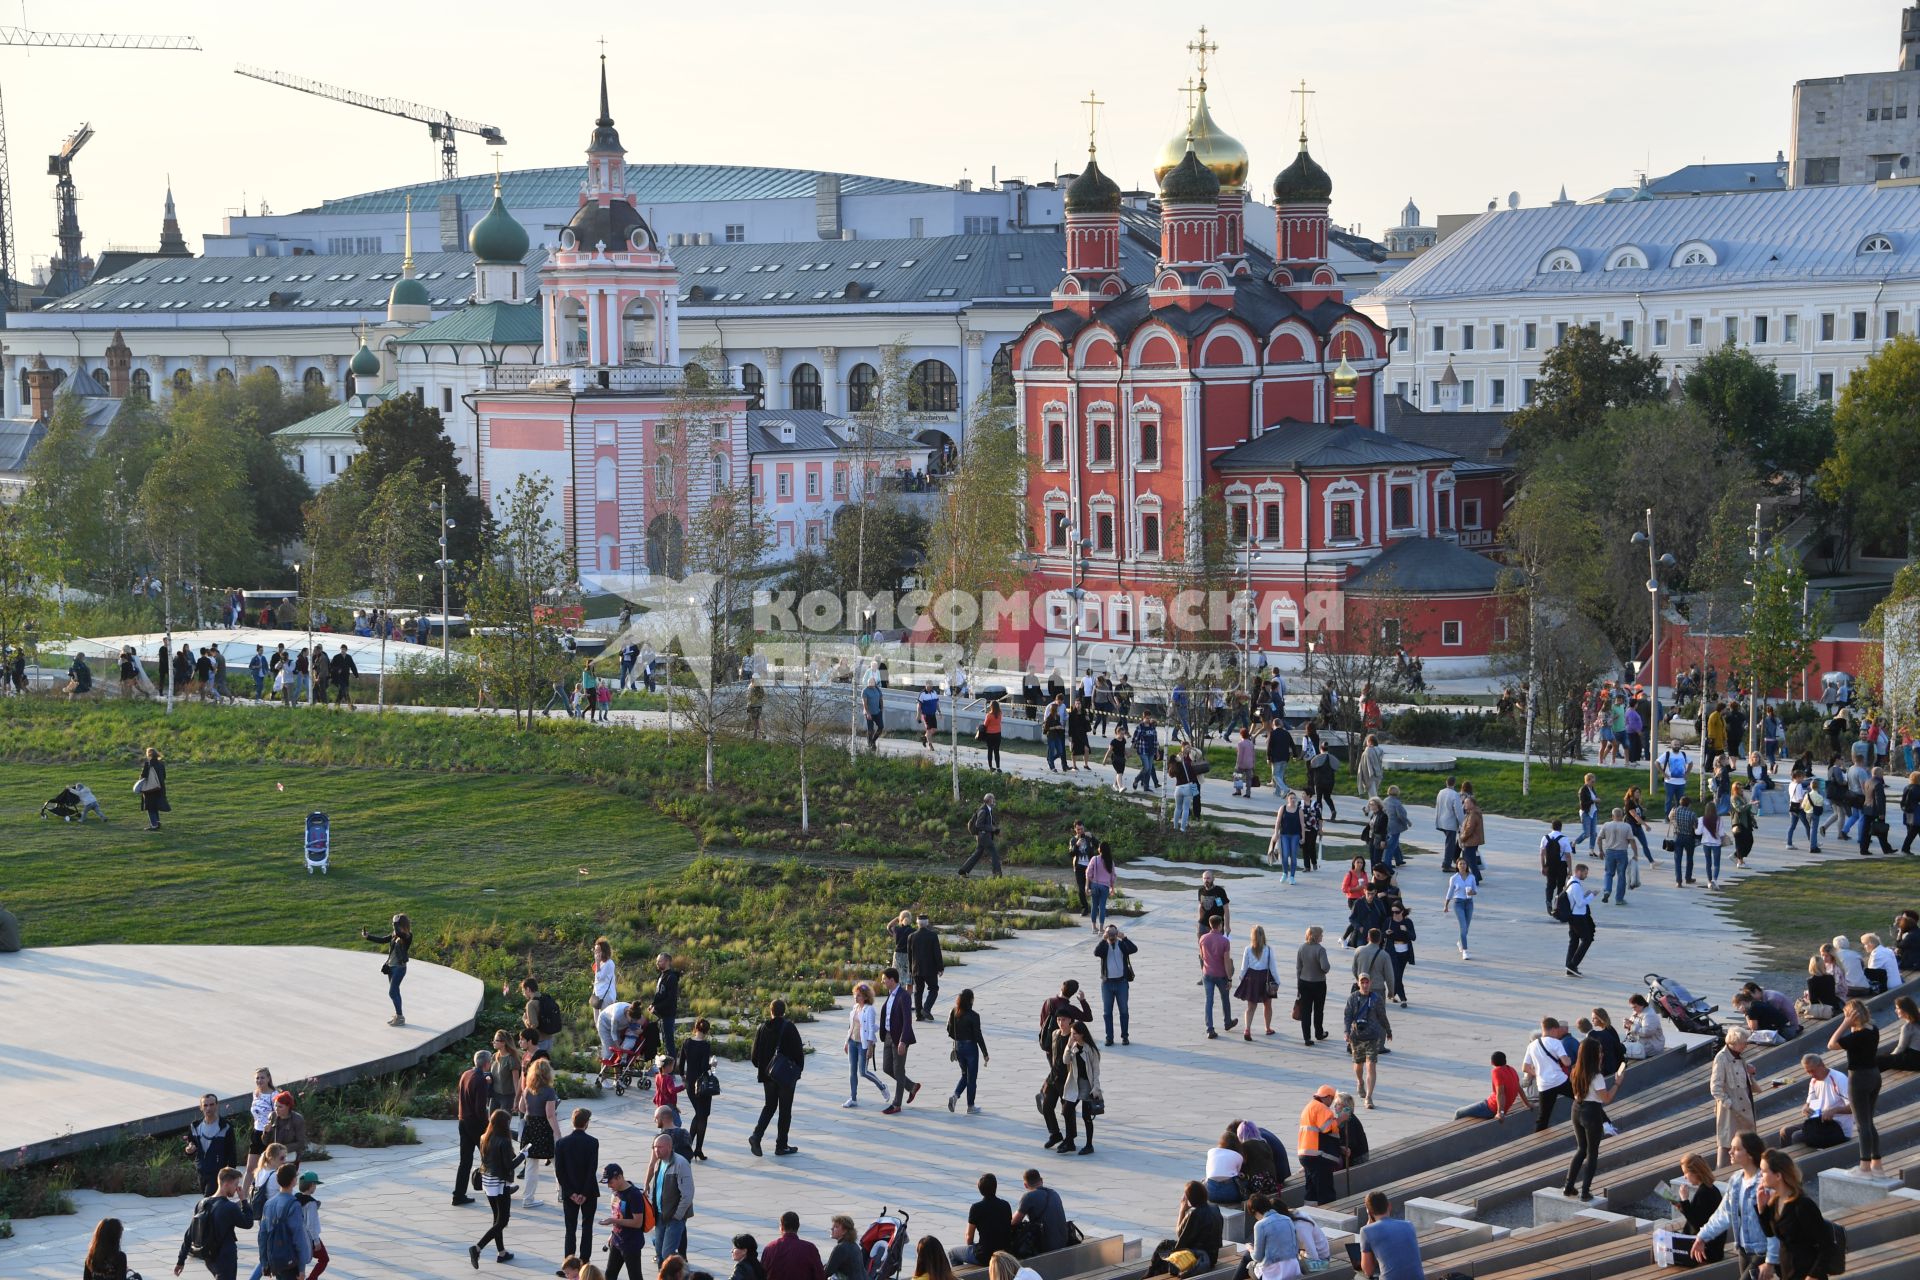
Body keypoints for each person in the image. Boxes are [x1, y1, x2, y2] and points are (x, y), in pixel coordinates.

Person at [1689, 1132, 1772, 1272]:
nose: (1730, 1151)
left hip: (1763, 1250)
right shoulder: (1736, 1180)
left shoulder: (1764, 1183)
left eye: (1737, 1149)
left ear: (1750, 1154)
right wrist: (1702, 1237)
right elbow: (1723, 1214)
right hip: (1744, 1250)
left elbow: (1775, 1221)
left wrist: (1772, 1259)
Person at [1561, 1039, 1626, 1201]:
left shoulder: (1575, 1070)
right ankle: (1585, 1191)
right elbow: (1607, 1098)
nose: (1601, 1054)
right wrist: (1617, 1083)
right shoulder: (1596, 1076)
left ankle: (1568, 1187)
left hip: (1576, 1109)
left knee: (1581, 1149)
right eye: (1599, 1051)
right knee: (1592, 1153)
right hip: (1592, 1112)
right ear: (1592, 1054)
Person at [1755, 1149, 1829, 1280]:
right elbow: (1772, 1234)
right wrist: (1762, 1210)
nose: (1760, 1174)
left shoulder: (1803, 1205)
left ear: (1778, 1175)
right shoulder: (1774, 1202)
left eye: (1764, 1171)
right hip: (1787, 1272)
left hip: (1806, 1273)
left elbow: (1826, 1244)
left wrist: (1813, 1275)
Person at [1829, 999, 1883, 1175]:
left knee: (1861, 1124)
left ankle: (1864, 1166)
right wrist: (1851, 1024)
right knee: (1869, 1122)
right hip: (1874, 1075)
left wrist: (1844, 1023)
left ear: (1852, 1017)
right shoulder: (1872, 1029)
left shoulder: (1856, 1037)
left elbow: (1831, 1044)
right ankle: (1876, 1164)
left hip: (1859, 1078)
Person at [174, 1165, 254, 1280]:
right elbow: (248, 1223)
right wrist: (244, 1201)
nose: (237, 1189)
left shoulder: (202, 1203)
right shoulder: (229, 1207)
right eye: (236, 1184)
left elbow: (189, 1234)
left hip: (209, 1258)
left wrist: (181, 1261)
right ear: (226, 1184)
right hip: (226, 1257)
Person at [749, 998, 805, 1157]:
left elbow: (754, 1056)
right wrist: (798, 1071)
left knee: (769, 1106)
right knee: (785, 1110)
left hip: (768, 1076)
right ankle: (781, 1145)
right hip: (785, 1076)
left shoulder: (762, 1028)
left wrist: (764, 1068)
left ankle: (756, 1136)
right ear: (784, 1011)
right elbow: (798, 1052)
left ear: (771, 1011)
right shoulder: (789, 1027)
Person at [555, 1107, 601, 1264]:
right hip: (589, 1192)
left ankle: (569, 1263)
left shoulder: (561, 1143)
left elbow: (559, 1172)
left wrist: (571, 1193)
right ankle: (585, 1261)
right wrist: (584, 1193)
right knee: (587, 1227)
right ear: (586, 1123)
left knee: (570, 1228)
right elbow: (591, 1169)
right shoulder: (593, 1142)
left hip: (570, 1193)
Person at [1150, 1182, 1223, 1277]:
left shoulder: (1193, 1213)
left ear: (1190, 1198)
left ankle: (1151, 1274)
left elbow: (1180, 1234)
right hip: (1212, 1257)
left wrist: (1182, 1210)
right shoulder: (1214, 1208)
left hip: (1196, 1258)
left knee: (1164, 1245)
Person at [1052, 1021, 1102, 1155]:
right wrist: (1068, 1046)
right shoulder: (1073, 1046)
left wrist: (1096, 1088)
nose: (1072, 1036)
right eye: (1072, 1033)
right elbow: (1065, 1060)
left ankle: (1089, 1145)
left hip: (1087, 1085)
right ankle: (1069, 1141)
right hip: (1074, 1083)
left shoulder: (1090, 1050)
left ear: (1082, 1034)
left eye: (1075, 1034)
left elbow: (1096, 1071)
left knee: (1086, 1115)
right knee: (1067, 1110)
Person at [644, 1133, 695, 1264]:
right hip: (660, 1215)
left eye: (660, 1147)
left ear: (669, 1147)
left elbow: (688, 1194)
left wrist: (678, 1215)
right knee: (660, 1252)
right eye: (655, 1147)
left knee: (667, 1254)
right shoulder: (659, 1163)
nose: (656, 1150)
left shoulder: (680, 1164)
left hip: (674, 1217)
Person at [1711, 1029, 1760, 1164]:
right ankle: (1721, 1172)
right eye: (1743, 1043)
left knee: (1746, 1140)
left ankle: (1748, 1167)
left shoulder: (1738, 1055)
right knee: (1727, 1141)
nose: (1746, 1045)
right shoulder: (1721, 1058)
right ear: (1734, 1042)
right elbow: (1715, 1087)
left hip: (1743, 1103)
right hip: (1731, 1110)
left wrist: (1748, 1070)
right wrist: (1729, 1103)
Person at [1343, 973, 1391, 1109]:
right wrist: (1346, 1031)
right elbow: (1347, 1016)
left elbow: (1382, 1015)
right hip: (1357, 1037)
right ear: (1358, 983)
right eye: (1362, 982)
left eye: (1367, 982)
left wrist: (1388, 1030)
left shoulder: (1376, 998)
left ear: (1370, 983)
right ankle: (1359, 1081)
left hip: (1372, 1037)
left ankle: (1369, 1098)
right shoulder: (1353, 998)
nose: (1364, 985)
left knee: (1371, 1065)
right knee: (1358, 1065)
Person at [255, 1163, 310, 1280]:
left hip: (275, 1259)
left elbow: (262, 1235)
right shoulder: (293, 1204)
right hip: (290, 1260)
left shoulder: (269, 1203)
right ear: (293, 1181)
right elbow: (298, 1237)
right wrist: (302, 1268)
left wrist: (264, 1262)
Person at [518, 1058, 560, 1208]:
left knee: (531, 1164)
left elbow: (521, 1108)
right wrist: (558, 1134)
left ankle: (528, 1199)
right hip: (543, 1128)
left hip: (530, 1128)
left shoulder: (527, 1089)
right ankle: (561, 1193)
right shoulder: (549, 1091)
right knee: (557, 1161)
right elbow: (550, 1115)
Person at [453, 1051, 493, 1206]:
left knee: (465, 1160)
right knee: (490, 1155)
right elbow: (480, 1109)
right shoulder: (480, 1080)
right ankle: (496, 1188)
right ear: (487, 1064)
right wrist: (488, 1125)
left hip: (463, 1120)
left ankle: (458, 1194)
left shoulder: (466, 1074)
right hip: (476, 1123)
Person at [878, 966, 920, 1115]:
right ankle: (911, 1086)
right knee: (887, 1067)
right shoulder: (890, 995)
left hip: (900, 1038)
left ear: (892, 980)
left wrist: (903, 1041)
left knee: (898, 1070)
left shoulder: (903, 996)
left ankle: (896, 1104)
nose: (882, 982)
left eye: (884, 980)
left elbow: (907, 1022)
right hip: (888, 1036)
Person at [359, 913, 412, 1026]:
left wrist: (395, 922)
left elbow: (399, 933)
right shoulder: (395, 934)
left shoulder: (407, 936)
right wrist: (368, 936)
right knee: (396, 991)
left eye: (395, 924)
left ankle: (400, 1017)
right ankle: (399, 1016)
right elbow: (383, 940)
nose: (393, 926)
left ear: (401, 924)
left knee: (392, 992)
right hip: (391, 967)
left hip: (399, 968)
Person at [1357, 1190, 1423, 1280]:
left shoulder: (1366, 1231)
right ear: (1389, 1206)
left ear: (1369, 1212)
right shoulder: (1409, 1225)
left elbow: (1368, 1271)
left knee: (1358, 1277)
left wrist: (1369, 1222)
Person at [598, 1164, 648, 1280]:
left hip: (631, 1243)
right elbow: (617, 1213)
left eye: (610, 1182)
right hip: (617, 1240)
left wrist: (612, 1221)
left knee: (635, 1277)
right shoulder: (615, 1192)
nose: (609, 1186)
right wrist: (612, 1232)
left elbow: (637, 1223)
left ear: (619, 1177)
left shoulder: (634, 1195)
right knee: (610, 1275)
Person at [1523, 1019, 1573, 1131]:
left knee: (1543, 1116)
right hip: (1560, 1081)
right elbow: (1566, 1062)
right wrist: (1569, 1059)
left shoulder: (1531, 1046)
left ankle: (1537, 1140)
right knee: (1585, 1098)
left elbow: (1525, 1067)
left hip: (1544, 1085)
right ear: (1554, 1029)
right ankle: (1606, 1124)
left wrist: (1538, 1074)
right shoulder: (1556, 1042)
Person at [843, 982, 888, 1108]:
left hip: (863, 1044)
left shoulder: (869, 1010)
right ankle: (853, 1098)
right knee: (852, 1071)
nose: (855, 998)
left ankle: (882, 1086)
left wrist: (870, 1047)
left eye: (858, 996)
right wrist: (846, 1042)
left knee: (863, 1072)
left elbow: (870, 1028)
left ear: (866, 997)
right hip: (852, 1042)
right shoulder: (854, 1008)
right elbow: (851, 1027)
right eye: (855, 995)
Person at [186, 1093, 239, 1198]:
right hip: (202, 1170)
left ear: (216, 1105)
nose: (208, 1108)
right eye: (205, 1105)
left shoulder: (226, 1127)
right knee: (210, 1199)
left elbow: (231, 1152)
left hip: (218, 1171)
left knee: (209, 1198)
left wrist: (230, 1175)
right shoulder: (195, 1126)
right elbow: (192, 1146)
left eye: (211, 1104)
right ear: (201, 1107)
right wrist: (189, 1151)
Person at [953, 1175, 1013, 1267]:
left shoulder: (976, 1208)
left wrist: (972, 1247)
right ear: (995, 1187)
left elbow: (969, 1237)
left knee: (952, 1253)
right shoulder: (1006, 1205)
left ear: (980, 1189)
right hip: (1005, 1253)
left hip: (985, 1256)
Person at [1094, 922, 1137, 1047]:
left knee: (1124, 1011)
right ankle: (1109, 1037)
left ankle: (1125, 1036)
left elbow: (1134, 949)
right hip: (1107, 983)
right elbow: (1096, 952)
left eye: (1113, 932)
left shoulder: (1122, 945)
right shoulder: (1104, 947)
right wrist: (1104, 939)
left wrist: (1124, 937)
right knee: (1107, 1012)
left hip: (1121, 982)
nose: (1111, 935)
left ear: (1117, 933)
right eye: (1109, 932)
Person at [678, 1018, 716, 1159]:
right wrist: (713, 1065)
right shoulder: (705, 1045)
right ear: (707, 1031)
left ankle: (690, 1147)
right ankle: (696, 1149)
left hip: (690, 1082)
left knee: (699, 1114)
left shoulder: (687, 1042)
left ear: (695, 1028)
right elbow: (703, 1067)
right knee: (703, 1116)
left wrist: (683, 1076)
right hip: (702, 1084)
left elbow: (681, 1063)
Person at [947, 987, 989, 1113]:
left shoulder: (954, 1012)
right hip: (971, 1048)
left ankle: (955, 1096)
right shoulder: (974, 1016)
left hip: (959, 1047)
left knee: (965, 1075)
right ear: (971, 1000)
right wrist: (985, 1053)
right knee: (971, 1078)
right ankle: (970, 1106)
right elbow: (978, 1036)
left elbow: (949, 1030)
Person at [1454, 1051, 1528, 1122]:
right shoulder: (1511, 1069)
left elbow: (1500, 1093)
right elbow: (1519, 1088)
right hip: (1492, 1103)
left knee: (1458, 1112)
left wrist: (1500, 1112)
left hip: (1490, 1108)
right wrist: (1527, 1104)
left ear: (1492, 1062)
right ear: (1505, 1060)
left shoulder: (1497, 1071)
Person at [1010, 1169, 1068, 1257]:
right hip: (1063, 1241)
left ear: (1025, 1185)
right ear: (1041, 1180)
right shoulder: (1054, 1193)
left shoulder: (1029, 1196)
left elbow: (1014, 1221)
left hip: (1046, 1245)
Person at [1246, 1193, 1300, 1280]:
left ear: (1254, 1211)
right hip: (1293, 1268)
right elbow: (1295, 1247)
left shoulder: (1260, 1225)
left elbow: (1258, 1257)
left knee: (1249, 1266)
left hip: (1274, 1274)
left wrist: (1249, 1248)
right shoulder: (1287, 1219)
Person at [1237, 924, 1279, 1038]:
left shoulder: (1248, 949)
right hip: (1266, 977)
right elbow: (1273, 968)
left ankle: (1247, 1029)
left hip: (1251, 978)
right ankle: (1268, 1028)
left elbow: (1243, 967)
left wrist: (1241, 979)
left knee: (1251, 1006)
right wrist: (1277, 981)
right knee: (1268, 1005)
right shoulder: (1269, 949)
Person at [1199, 914, 1237, 1039]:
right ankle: (1227, 1022)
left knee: (1209, 1001)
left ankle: (1210, 1028)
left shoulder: (1203, 938)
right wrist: (1230, 978)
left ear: (1210, 925)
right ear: (1220, 925)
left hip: (1207, 973)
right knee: (1225, 998)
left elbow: (1202, 956)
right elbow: (1226, 961)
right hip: (1220, 974)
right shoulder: (1225, 941)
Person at [1296, 926, 1330, 1046]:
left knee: (1306, 1011)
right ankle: (1319, 1033)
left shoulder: (1301, 948)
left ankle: (1307, 1037)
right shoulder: (1320, 950)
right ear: (1316, 936)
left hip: (1304, 982)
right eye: (1321, 934)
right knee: (1318, 1010)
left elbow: (1298, 968)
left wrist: (1298, 985)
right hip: (1319, 983)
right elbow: (1325, 967)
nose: (1322, 936)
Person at [1564, 863, 1597, 977]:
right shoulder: (1576, 885)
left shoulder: (1571, 882)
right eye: (1585, 873)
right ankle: (1573, 965)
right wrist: (1592, 895)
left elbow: (1577, 899)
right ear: (1578, 872)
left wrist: (1586, 895)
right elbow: (1580, 903)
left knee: (1574, 940)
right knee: (1587, 939)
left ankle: (1569, 966)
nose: (1586, 876)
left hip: (1573, 916)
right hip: (1577, 917)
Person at [909, 915, 944, 1021]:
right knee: (933, 989)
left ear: (917, 923)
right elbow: (937, 952)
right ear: (927, 923)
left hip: (916, 968)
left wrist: (911, 969)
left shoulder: (911, 936)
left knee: (918, 991)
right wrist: (940, 967)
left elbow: (910, 955)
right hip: (930, 969)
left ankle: (919, 1015)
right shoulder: (932, 936)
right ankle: (926, 1009)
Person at [958, 794, 1001, 878]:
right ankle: (997, 874)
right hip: (984, 836)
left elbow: (990, 824)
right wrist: (992, 829)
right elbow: (979, 825)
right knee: (994, 853)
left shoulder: (989, 810)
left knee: (977, 854)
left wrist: (996, 831)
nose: (994, 800)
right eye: (993, 799)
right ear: (989, 801)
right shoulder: (983, 811)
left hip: (983, 836)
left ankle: (963, 871)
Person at [1442, 862, 1478, 959]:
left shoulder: (1471, 877)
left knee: (1466, 927)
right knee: (1463, 926)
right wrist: (1446, 905)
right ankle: (1465, 951)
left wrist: (1472, 892)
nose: (1462, 865)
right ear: (1457, 866)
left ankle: (1459, 941)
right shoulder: (1454, 878)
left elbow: (1476, 891)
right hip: (1458, 903)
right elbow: (1450, 892)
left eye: (1464, 864)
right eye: (1460, 864)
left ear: (1467, 866)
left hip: (1469, 903)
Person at [650, 954, 682, 1056]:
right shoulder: (662, 975)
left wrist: (657, 1007)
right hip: (661, 1014)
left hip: (668, 1014)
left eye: (660, 961)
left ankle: (670, 1067)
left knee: (669, 1042)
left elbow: (671, 999)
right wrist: (653, 1005)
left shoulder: (671, 977)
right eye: (657, 961)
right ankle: (667, 1066)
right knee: (665, 1041)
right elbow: (660, 995)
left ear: (667, 961)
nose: (657, 963)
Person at [1878, 995, 1920, 1070]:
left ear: (1905, 1010)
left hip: (1915, 1060)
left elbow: (1900, 1048)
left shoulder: (1908, 1027)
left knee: (1879, 1060)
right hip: (1915, 1056)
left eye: (1897, 1008)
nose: (1895, 1010)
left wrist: (1890, 1057)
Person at [1623, 993, 1666, 1060]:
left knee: (1621, 1052)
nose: (1633, 1010)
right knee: (1619, 1049)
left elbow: (1647, 1032)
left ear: (1642, 1004)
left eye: (1635, 1007)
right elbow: (1633, 1028)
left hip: (1652, 1047)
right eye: (1632, 1008)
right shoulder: (1637, 1011)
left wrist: (1631, 1026)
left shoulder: (1649, 1015)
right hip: (1640, 1044)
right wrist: (1627, 1026)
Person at [1433, 776, 1463, 871]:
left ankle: (1449, 861)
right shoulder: (1454, 795)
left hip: (1441, 821)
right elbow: (1458, 811)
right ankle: (1447, 865)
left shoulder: (1441, 792)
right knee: (1450, 844)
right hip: (1450, 823)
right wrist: (1462, 824)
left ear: (1446, 782)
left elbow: (1437, 806)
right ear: (1454, 783)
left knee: (1449, 843)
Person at [1457, 783, 1486, 880]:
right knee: (1468, 860)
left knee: (1470, 861)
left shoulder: (1473, 815)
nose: (1464, 805)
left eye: (1466, 803)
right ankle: (1474, 877)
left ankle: (1475, 879)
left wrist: (1462, 838)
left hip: (1470, 841)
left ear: (1472, 804)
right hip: (1471, 840)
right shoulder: (1472, 812)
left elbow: (1469, 829)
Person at [138, 746, 170, 831]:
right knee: (155, 806)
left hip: (150, 790)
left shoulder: (148, 764)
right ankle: (157, 823)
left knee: (150, 807)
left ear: (149, 755)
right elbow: (164, 776)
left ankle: (154, 825)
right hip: (160, 788)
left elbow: (143, 777)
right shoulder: (161, 764)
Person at [1086, 842, 1116, 931]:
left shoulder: (1094, 859)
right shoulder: (1110, 861)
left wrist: (1087, 886)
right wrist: (1112, 888)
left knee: (1094, 906)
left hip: (1095, 885)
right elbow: (1113, 876)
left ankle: (1094, 927)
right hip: (1105, 887)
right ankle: (1101, 928)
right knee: (1102, 906)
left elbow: (1088, 873)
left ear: (1100, 849)